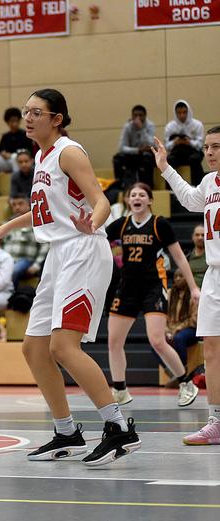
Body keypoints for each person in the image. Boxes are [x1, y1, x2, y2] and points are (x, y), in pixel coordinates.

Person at [0, 88, 141, 466]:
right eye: (26, 111)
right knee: (33, 348)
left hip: (84, 248)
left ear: (57, 119)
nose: (28, 117)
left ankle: (118, 427)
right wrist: (6, 227)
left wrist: (95, 221)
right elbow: (48, 211)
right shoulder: (41, 155)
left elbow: (101, 199)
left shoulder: (69, 151)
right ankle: (66, 431)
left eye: (36, 111)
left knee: (63, 347)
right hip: (59, 253)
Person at [104, 183, 200, 407]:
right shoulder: (121, 224)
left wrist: (194, 287)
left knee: (157, 340)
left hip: (153, 286)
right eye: (133, 195)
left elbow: (179, 257)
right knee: (114, 341)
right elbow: (97, 237)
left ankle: (186, 382)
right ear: (128, 201)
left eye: (142, 195)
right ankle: (120, 389)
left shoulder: (160, 224)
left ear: (149, 200)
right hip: (127, 287)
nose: (137, 198)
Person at [153, 126, 220, 445]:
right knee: (211, 349)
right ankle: (216, 422)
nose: (209, 152)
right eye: (207, 147)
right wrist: (165, 167)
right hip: (213, 274)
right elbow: (189, 198)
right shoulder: (209, 182)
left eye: (216, 147)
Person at [0, 107, 34, 196]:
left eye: (16, 121)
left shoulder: (25, 134)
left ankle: (18, 185)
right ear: (7, 122)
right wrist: (2, 153)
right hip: (7, 164)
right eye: (12, 121)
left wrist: (11, 155)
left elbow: (29, 152)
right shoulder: (5, 136)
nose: (14, 123)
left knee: (14, 157)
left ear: (19, 121)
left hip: (20, 163)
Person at [2, 194, 47, 286]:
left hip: (25, 260)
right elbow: (1, 245)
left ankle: (8, 295)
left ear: (29, 205)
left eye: (20, 204)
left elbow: (45, 246)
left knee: (15, 270)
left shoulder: (37, 223)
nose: (17, 207)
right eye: (14, 205)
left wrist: (36, 265)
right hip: (6, 260)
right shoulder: (7, 223)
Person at [166, 270, 199, 386]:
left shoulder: (193, 294)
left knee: (179, 338)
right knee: (156, 341)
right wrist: (167, 331)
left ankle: (182, 371)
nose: (178, 279)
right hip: (171, 329)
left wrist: (177, 329)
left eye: (181, 276)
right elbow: (164, 316)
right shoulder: (170, 294)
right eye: (176, 277)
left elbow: (194, 319)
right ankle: (172, 372)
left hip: (191, 329)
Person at [112, 105, 156, 189]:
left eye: (140, 115)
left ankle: (149, 186)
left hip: (145, 155)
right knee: (117, 159)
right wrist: (137, 150)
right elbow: (122, 147)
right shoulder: (127, 126)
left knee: (148, 158)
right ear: (132, 116)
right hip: (133, 154)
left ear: (145, 116)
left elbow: (151, 144)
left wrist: (141, 129)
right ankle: (119, 186)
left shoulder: (150, 126)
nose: (137, 118)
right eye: (135, 115)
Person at [164, 100, 205, 184]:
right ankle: (171, 188)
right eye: (179, 113)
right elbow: (166, 146)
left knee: (195, 159)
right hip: (177, 152)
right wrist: (175, 142)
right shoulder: (170, 126)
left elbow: (200, 144)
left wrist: (189, 142)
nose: (182, 115)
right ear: (175, 113)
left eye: (184, 112)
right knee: (169, 160)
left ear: (188, 112)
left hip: (193, 151)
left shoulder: (197, 124)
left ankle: (198, 186)